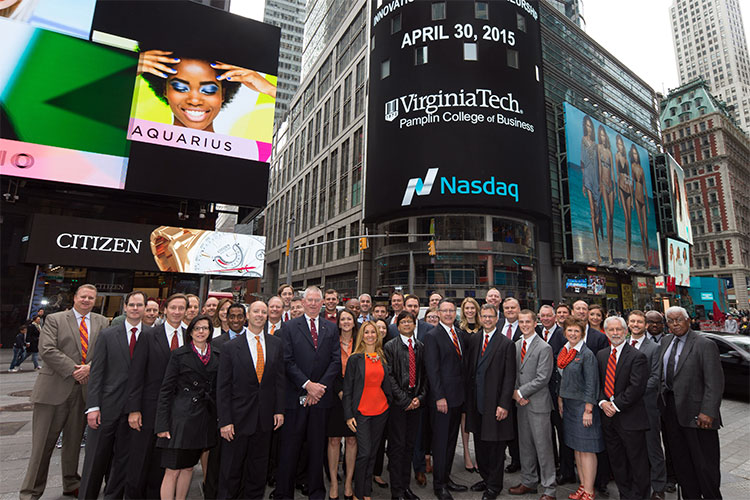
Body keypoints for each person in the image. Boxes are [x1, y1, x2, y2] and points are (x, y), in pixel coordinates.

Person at [20, 284, 109, 500]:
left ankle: (71, 483)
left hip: (84, 393)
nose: (87, 300)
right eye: (83, 297)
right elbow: (47, 349)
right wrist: (74, 370)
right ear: (75, 298)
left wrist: (91, 368)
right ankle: (30, 492)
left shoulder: (102, 322)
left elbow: (107, 352)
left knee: (74, 443)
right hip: (54, 391)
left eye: (91, 298)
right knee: (43, 446)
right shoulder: (55, 319)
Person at [275, 286, 341, 499]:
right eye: (309, 300)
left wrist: (319, 388)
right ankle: (284, 493)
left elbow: (335, 361)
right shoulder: (288, 327)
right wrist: (307, 384)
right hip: (295, 398)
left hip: (321, 399)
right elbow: (287, 361)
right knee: (290, 449)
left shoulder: (331, 329)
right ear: (302, 303)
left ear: (322, 304)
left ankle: (316, 491)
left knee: (316, 448)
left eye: (316, 301)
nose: (313, 304)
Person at [80, 291, 147, 499]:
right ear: (125, 307)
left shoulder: (152, 335)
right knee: (95, 460)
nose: (136, 308)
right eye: (132, 305)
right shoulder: (108, 335)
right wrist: (93, 407)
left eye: (140, 305)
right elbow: (97, 372)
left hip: (133, 412)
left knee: (122, 464)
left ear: (145, 308)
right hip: (106, 409)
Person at [217, 301, 285, 499]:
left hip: (264, 420)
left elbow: (279, 381)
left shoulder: (276, 344)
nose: (260, 315)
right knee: (231, 471)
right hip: (237, 420)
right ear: (248, 315)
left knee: (258, 471)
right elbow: (223, 387)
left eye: (264, 312)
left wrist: (279, 410)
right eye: (256, 311)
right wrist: (225, 421)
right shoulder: (230, 347)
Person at [126, 293, 188, 499]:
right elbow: (136, 375)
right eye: (173, 308)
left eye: (181, 308)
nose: (177, 312)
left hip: (176, 412)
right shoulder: (149, 335)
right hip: (148, 408)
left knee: (163, 463)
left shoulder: (189, 336)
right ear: (165, 310)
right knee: (140, 461)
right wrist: (134, 409)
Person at [658, 306, 723, 500]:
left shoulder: (704, 344)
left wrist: (708, 412)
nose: (675, 324)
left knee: (705, 464)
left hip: (698, 414)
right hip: (671, 411)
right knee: (681, 461)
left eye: (679, 319)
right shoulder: (665, 341)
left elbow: (715, 382)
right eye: (670, 321)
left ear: (688, 320)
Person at [155, 315, 219, 500]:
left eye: (205, 328)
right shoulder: (179, 354)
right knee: (173, 469)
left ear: (209, 332)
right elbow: (166, 390)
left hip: (203, 419)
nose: (201, 332)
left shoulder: (216, 355)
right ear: (190, 332)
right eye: (197, 328)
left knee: (189, 467)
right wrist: (162, 424)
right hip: (180, 419)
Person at [138, 49, 276, 132]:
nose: (194, 100)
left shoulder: (246, 152)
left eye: (209, 90)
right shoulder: (136, 137)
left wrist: (269, 89)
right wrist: (128, 64)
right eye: (180, 88)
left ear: (223, 94)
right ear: (164, 90)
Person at [465, 304, 516, 500]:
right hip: (477, 402)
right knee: (480, 444)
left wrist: (504, 404)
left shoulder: (506, 344)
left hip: (495, 404)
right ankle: (485, 478)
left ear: (497, 319)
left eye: (490, 317)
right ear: (480, 317)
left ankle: (494, 486)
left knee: (495, 447)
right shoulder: (475, 338)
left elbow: (509, 378)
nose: (487, 319)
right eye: (484, 316)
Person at [597, 316, 650, 500]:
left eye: (619, 329)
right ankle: (625, 495)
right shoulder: (602, 355)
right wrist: (603, 403)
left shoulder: (637, 356)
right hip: (608, 420)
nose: (615, 333)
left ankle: (640, 496)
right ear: (606, 332)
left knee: (637, 463)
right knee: (617, 461)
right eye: (611, 330)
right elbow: (599, 384)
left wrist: (615, 405)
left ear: (626, 331)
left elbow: (636, 388)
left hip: (631, 419)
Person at [423, 299, 468, 500]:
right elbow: (432, 370)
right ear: (438, 313)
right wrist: (439, 396)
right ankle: (439, 485)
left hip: (457, 398)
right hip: (442, 400)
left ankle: (446, 477)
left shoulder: (458, 334)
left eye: (452, 310)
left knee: (451, 441)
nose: (449, 314)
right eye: (445, 311)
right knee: (440, 443)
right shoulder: (432, 336)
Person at [509, 310, 556, 500]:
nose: (524, 325)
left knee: (543, 447)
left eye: (528, 321)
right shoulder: (516, 345)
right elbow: (513, 372)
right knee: (525, 445)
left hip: (538, 404)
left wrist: (521, 392)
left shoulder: (544, 347)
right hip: (521, 404)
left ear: (535, 323)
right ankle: (529, 482)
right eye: (521, 322)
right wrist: (515, 395)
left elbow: (543, 377)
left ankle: (549, 488)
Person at [343, 321, 391, 500]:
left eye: (373, 332)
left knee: (373, 453)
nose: (370, 335)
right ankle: (358, 491)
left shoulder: (382, 356)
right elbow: (347, 389)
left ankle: (367, 492)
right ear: (361, 335)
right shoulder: (355, 359)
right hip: (361, 413)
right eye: (366, 332)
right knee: (364, 453)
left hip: (381, 411)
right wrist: (348, 416)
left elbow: (386, 385)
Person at [204, 302, 248, 498]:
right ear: (226, 319)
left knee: (241, 459)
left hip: (246, 410)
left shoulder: (253, 341)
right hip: (221, 410)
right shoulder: (216, 344)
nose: (236, 320)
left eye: (240, 316)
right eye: (232, 316)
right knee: (219, 459)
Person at [557, 317, 604, 500]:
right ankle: (583, 486)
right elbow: (563, 379)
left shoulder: (587, 354)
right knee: (577, 449)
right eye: (570, 330)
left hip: (583, 407)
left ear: (582, 333)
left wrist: (588, 409)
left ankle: (590, 491)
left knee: (587, 449)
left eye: (577, 331)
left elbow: (592, 384)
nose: (573, 334)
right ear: (565, 332)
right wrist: (561, 400)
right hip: (569, 405)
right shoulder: (565, 351)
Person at [384, 311, 428, 500]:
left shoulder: (420, 346)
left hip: (416, 403)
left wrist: (419, 398)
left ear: (414, 324)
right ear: (398, 325)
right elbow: (390, 376)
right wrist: (405, 400)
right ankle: (397, 492)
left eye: (410, 321)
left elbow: (425, 376)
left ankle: (406, 487)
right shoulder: (390, 346)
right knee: (398, 447)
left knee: (410, 446)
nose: (407, 324)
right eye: (404, 322)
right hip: (398, 404)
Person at [627, 311, 667, 499]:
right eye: (632, 321)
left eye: (639, 322)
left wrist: (632, 393)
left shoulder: (654, 348)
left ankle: (659, 487)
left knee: (653, 447)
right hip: (626, 407)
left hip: (646, 404)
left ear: (645, 325)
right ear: (628, 324)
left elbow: (655, 378)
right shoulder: (622, 343)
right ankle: (637, 483)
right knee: (634, 448)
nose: (636, 324)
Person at [327, 309, 358, 500]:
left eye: (349, 319)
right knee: (334, 440)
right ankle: (332, 483)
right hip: (335, 396)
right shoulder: (332, 343)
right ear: (338, 323)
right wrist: (339, 390)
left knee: (353, 440)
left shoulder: (361, 342)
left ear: (355, 323)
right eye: (343, 319)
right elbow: (328, 366)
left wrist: (351, 394)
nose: (346, 322)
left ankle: (348, 484)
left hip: (356, 397)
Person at [498, 297, 522, 473]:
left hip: (519, 386)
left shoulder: (526, 325)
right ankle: (505, 458)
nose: (510, 310)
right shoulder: (497, 325)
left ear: (519, 309)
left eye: (513, 307)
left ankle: (518, 459)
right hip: (498, 384)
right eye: (506, 308)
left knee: (517, 426)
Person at [458, 297, 480, 473]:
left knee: (479, 416)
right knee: (465, 418)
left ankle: (480, 455)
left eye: (473, 308)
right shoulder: (459, 329)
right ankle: (466, 454)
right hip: (465, 379)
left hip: (481, 379)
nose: (470, 311)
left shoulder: (484, 328)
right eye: (467, 308)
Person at [581, 115, 602, 262]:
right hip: (588, 175)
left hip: (596, 178)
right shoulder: (583, 140)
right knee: (592, 211)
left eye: (590, 126)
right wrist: (583, 182)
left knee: (598, 213)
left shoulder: (596, 145)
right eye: (587, 125)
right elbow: (582, 163)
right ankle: (596, 250)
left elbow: (600, 164)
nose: (588, 128)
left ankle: (598, 244)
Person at [614, 134, 633, 265]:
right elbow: (616, 174)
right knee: (625, 219)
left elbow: (629, 177)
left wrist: (630, 193)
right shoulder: (616, 157)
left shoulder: (626, 160)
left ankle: (629, 255)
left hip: (628, 189)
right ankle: (624, 254)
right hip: (620, 187)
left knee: (629, 222)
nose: (620, 146)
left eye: (622, 144)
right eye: (619, 144)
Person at [597, 125, 615, 264]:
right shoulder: (598, 148)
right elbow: (598, 166)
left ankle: (610, 251)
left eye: (604, 135)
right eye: (601, 135)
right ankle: (606, 252)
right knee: (607, 217)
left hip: (610, 185)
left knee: (611, 220)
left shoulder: (609, 152)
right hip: (602, 183)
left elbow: (613, 171)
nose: (603, 137)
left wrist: (613, 188)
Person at [630, 145, 650, 265]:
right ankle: (644, 256)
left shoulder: (642, 169)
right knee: (641, 229)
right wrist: (632, 200)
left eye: (636, 154)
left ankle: (647, 257)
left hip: (642, 196)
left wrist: (647, 204)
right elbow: (631, 183)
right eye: (633, 154)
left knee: (646, 230)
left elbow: (646, 189)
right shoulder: (632, 167)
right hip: (636, 196)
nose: (635, 156)